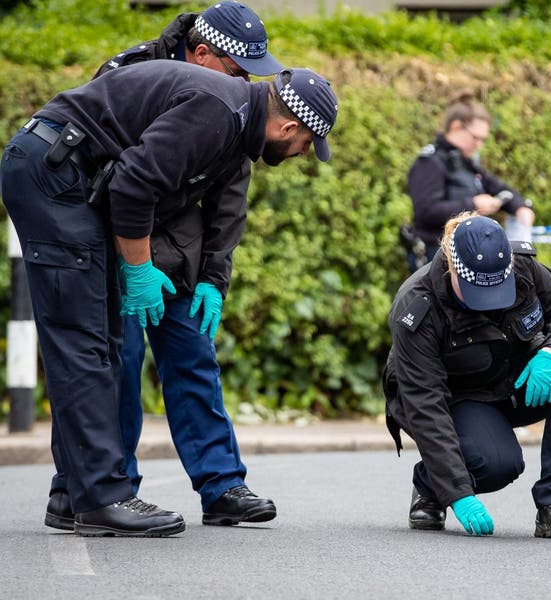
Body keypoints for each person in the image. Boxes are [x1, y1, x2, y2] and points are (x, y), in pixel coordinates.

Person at [1, 60, 338, 536]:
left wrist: (210, 278)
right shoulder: (219, 111)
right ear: (288, 126)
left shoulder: (235, 119)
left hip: (68, 175)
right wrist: (139, 271)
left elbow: (202, 201)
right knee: (86, 342)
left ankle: (79, 496)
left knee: (106, 344)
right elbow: (133, 186)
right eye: (307, 143)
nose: (304, 153)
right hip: (56, 173)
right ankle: (102, 498)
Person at [40, 1, 285, 534]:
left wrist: (215, 278)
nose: (250, 85)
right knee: (114, 364)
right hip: (121, 245)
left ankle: (222, 487)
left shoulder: (236, 105)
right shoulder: (130, 70)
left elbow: (229, 198)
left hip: (179, 254)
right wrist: (134, 265)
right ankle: (98, 488)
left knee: (195, 356)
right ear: (202, 54)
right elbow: (112, 181)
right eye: (241, 72)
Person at [382, 212, 551, 539]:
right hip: (458, 400)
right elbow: (426, 406)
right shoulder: (417, 306)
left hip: (514, 379)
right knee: (497, 465)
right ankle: (430, 485)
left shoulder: (523, 267)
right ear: (452, 268)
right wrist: (458, 493)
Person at [404, 92, 535, 272]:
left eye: (483, 139)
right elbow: (426, 211)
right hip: (437, 260)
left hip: (470, 257)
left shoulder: (466, 163)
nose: (479, 145)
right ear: (456, 127)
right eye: (475, 137)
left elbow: (499, 188)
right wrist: (472, 205)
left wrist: (520, 207)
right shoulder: (430, 163)